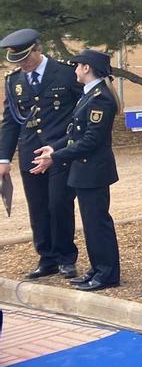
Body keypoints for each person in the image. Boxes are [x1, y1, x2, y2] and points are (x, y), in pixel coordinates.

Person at [32, 50, 120, 292]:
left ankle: (108, 273)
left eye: (77, 66)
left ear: (87, 68)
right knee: (91, 224)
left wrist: (55, 157)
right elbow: (75, 134)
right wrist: (55, 147)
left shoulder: (100, 98)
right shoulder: (89, 95)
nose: (74, 70)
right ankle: (98, 268)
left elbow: (91, 141)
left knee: (98, 224)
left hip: (94, 171)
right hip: (84, 171)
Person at [0, 28, 82, 279]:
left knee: (59, 204)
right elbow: (11, 122)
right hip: (30, 153)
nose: (22, 65)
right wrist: (4, 158)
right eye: (17, 61)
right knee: (38, 208)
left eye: (25, 58)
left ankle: (66, 257)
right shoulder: (13, 81)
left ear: (38, 49)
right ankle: (47, 258)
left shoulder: (66, 73)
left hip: (59, 151)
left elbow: (82, 112)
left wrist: (67, 145)